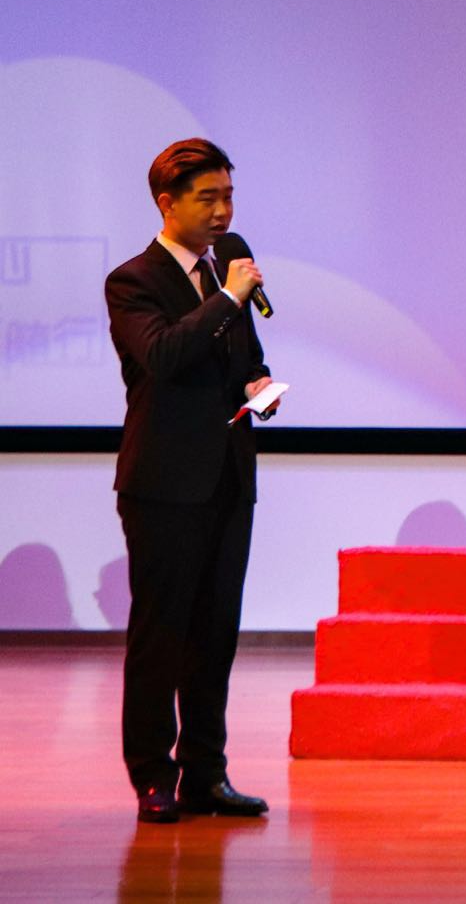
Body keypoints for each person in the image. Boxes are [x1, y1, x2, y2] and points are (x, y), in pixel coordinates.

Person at [106, 138, 280, 824]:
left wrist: (259, 386)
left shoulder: (223, 272)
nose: (222, 212)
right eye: (207, 198)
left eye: (227, 196)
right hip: (164, 485)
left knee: (215, 634)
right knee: (163, 634)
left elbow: (245, 357)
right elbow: (164, 355)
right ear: (167, 203)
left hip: (229, 480)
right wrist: (229, 296)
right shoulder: (133, 281)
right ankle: (154, 775)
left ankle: (207, 773)